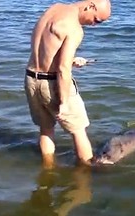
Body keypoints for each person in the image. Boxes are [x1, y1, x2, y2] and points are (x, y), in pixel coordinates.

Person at [24, 0, 111, 168]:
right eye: (97, 20)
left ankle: (48, 171)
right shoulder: (75, 29)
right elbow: (63, 69)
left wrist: (71, 61)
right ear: (90, 6)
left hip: (31, 79)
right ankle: (86, 177)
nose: (94, 25)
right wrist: (63, 101)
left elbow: (46, 49)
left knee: (46, 129)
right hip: (52, 83)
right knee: (78, 130)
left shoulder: (54, 9)